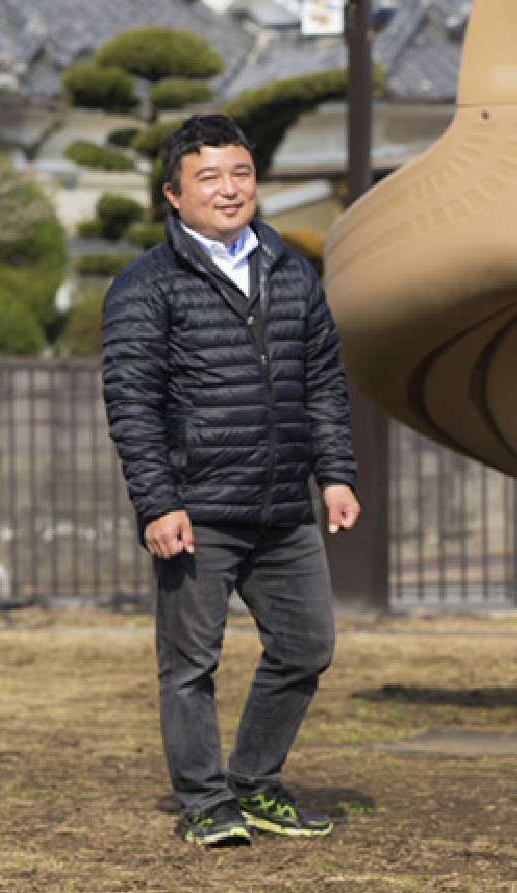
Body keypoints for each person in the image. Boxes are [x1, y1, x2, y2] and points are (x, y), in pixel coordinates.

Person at [102, 114, 359, 847]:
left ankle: (255, 782)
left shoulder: (288, 266)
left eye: (239, 173)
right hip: (197, 510)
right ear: (173, 195)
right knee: (190, 665)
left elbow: (323, 384)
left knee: (308, 646)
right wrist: (158, 504)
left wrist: (335, 475)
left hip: (284, 507)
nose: (228, 188)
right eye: (207, 177)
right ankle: (205, 802)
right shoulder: (143, 286)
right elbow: (133, 407)